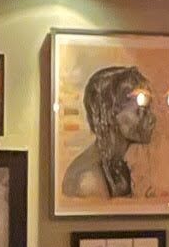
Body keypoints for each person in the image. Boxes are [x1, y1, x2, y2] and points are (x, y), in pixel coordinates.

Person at [61, 65, 157, 199]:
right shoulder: (89, 180)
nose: (152, 118)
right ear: (111, 115)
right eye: (140, 111)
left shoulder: (118, 168)